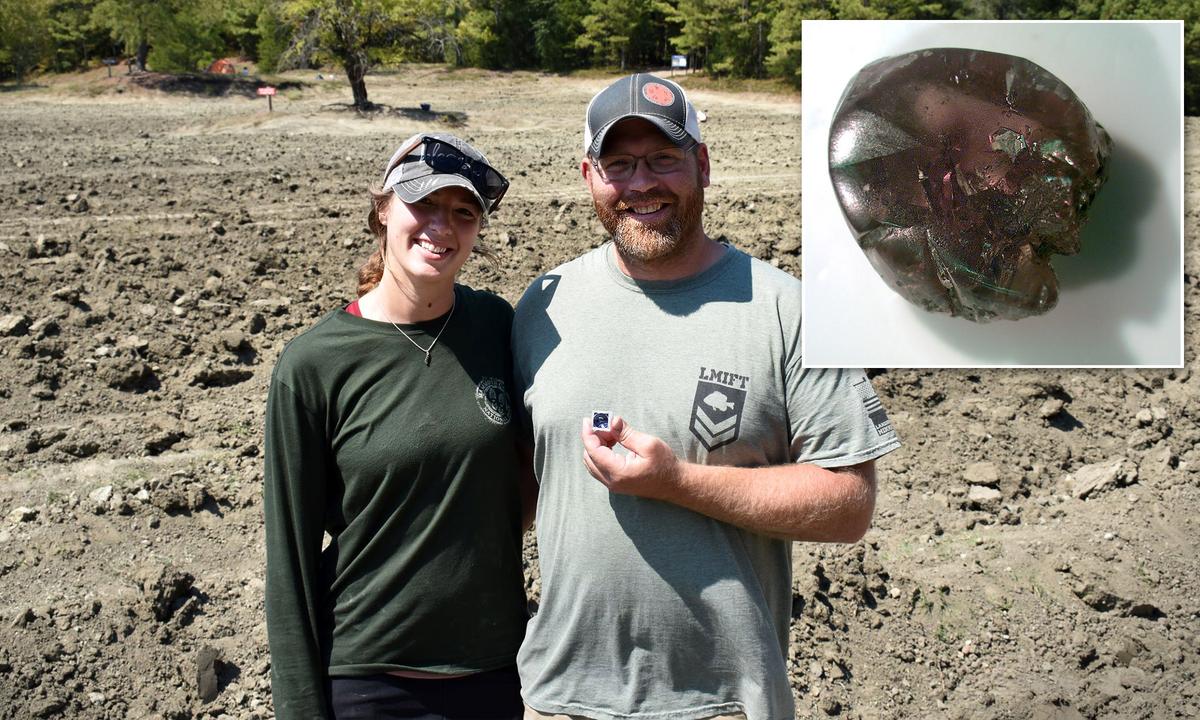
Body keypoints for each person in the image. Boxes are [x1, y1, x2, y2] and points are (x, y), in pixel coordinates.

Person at [511, 74, 902, 719]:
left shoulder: (788, 310)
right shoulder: (543, 307)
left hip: (725, 703)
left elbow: (849, 505)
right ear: (588, 176)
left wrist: (678, 482)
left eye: (663, 158)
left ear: (703, 165)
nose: (641, 184)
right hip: (561, 698)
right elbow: (524, 490)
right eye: (618, 164)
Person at [264, 133, 533, 720]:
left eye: (463, 212)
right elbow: (289, 560)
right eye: (424, 203)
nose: (442, 226)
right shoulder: (314, 364)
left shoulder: (496, 327)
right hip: (370, 683)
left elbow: (528, 472)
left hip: (496, 673)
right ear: (383, 209)